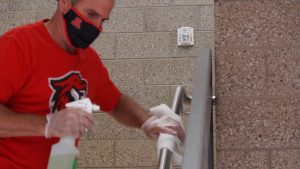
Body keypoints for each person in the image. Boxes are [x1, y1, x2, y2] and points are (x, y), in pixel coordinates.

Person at [0, 0, 185, 168]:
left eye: (103, 21)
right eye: (91, 14)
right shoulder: (18, 46)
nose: (96, 27)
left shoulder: (89, 61)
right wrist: (48, 124)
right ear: (64, 3)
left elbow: (116, 102)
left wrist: (147, 121)